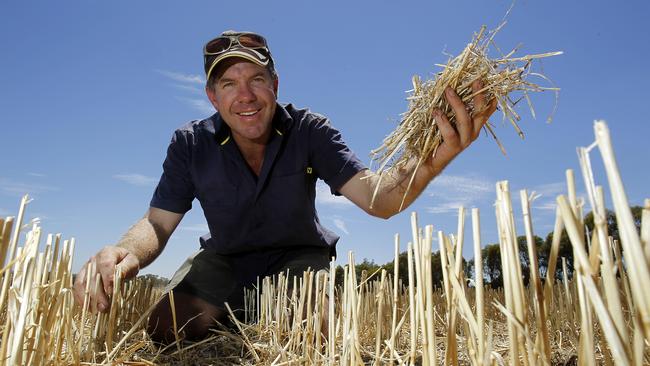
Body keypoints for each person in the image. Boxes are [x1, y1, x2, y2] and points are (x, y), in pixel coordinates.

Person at [72, 30, 496, 344]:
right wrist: (123, 253)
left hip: (298, 256)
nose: (246, 95)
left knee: (316, 336)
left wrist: (431, 158)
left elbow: (379, 198)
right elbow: (157, 224)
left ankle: (265, 313)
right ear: (211, 97)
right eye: (229, 84)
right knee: (165, 330)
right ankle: (239, 311)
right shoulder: (190, 143)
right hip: (226, 258)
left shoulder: (311, 131)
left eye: (256, 79)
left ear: (275, 85)